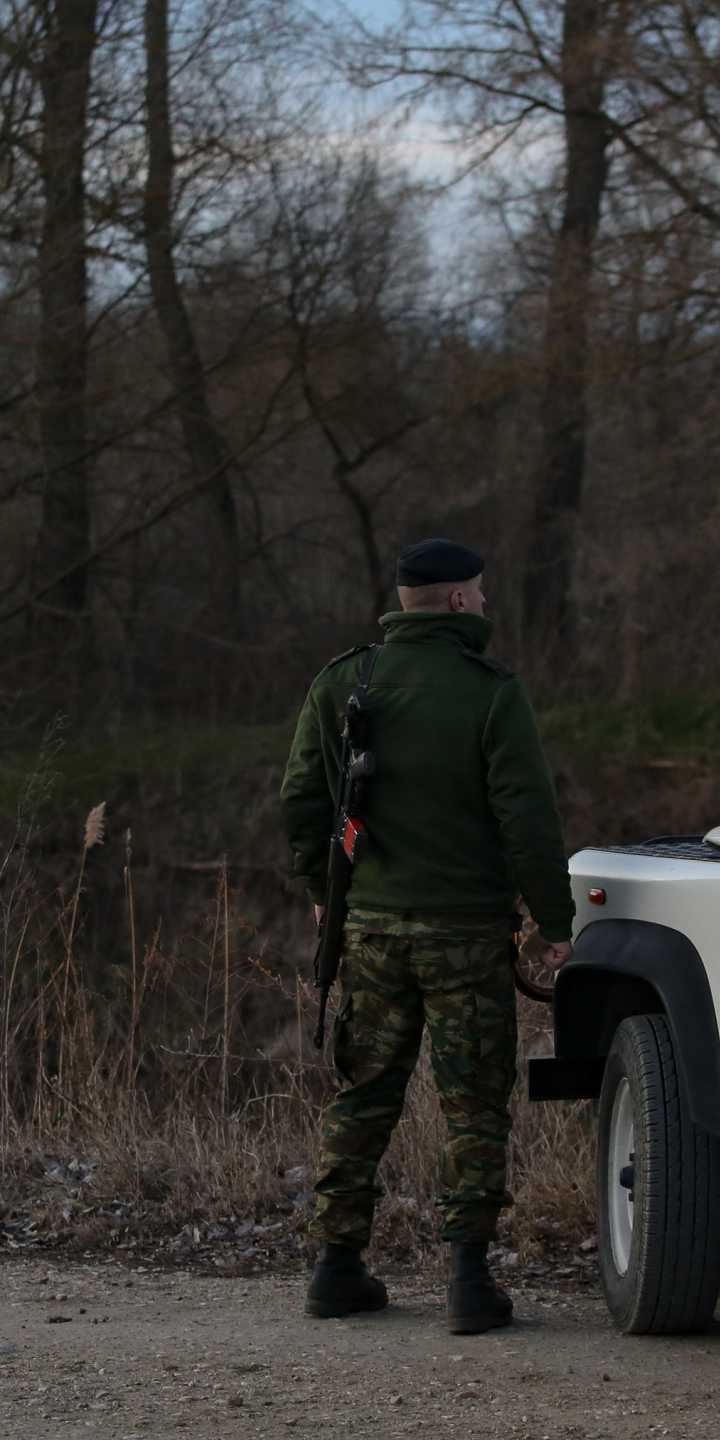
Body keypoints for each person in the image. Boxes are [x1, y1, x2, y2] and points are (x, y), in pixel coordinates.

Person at [278, 538, 576, 1334]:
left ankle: (335, 1267)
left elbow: (300, 798)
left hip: (370, 932)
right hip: (467, 936)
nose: (484, 604)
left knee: (361, 1094)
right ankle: (468, 1281)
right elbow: (527, 816)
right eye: (477, 593)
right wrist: (554, 922)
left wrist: (322, 894)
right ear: (453, 602)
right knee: (474, 1104)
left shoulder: (344, 680)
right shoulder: (491, 693)